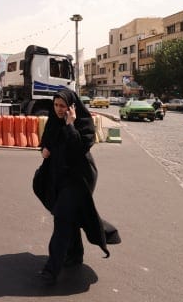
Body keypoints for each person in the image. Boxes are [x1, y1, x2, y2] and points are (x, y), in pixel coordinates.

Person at [35, 89, 121, 285]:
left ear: (72, 107)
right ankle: (75, 255)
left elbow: (77, 149)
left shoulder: (83, 123)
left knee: (62, 219)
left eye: (62, 106)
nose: (58, 109)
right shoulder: (53, 119)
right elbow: (48, 141)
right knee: (70, 217)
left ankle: (51, 270)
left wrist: (71, 125)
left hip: (79, 177)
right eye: (55, 105)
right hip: (59, 176)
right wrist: (44, 150)